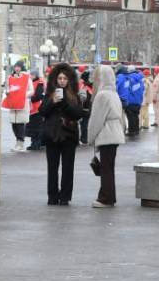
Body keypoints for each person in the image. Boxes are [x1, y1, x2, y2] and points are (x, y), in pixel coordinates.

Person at [40, 62, 85, 206]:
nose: (62, 81)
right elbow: (42, 111)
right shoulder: (50, 94)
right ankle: (52, 196)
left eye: (65, 78)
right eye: (60, 78)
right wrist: (52, 102)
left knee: (68, 168)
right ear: (55, 79)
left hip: (69, 135)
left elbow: (78, 114)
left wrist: (64, 103)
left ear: (69, 80)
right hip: (52, 135)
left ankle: (65, 197)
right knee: (52, 168)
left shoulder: (74, 95)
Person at [87, 62, 126, 207]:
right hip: (115, 135)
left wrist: (90, 137)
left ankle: (105, 198)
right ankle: (109, 196)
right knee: (109, 167)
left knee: (106, 168)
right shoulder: (114, 94)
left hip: (107, 135)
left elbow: (96, 120)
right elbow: (121, 117)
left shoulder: (102, 95)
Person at [2, 64, 31, 149]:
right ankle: (17, 142)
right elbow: (7, 88)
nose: (17, 68)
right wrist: (7, 91)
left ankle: (20, 143)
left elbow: (31, 90)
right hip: (13, 103)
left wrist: (23, 95)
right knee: (14, 124)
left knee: (20, 124)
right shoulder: (10, 78)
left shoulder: (27, 77)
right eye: (16, 67)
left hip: (22, 104)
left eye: (19, 67)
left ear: (22, 68)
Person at [117, 63, 145, 138]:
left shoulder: (129, 78)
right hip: (138, 100)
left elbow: (127, 89)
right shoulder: (140, 79)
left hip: (130, 100)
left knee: (130, 116)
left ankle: (131, 131)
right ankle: (136, 130)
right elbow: (143, 89)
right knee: (136, 115)